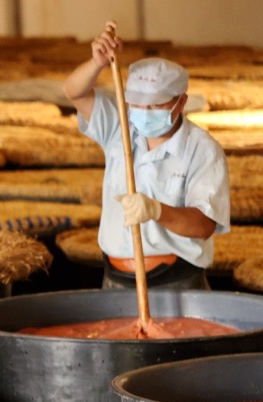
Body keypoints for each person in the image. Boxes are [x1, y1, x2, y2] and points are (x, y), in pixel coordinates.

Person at [62, 21, 229, 290]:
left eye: (156, 104)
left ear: (181, 102)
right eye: (137, 103)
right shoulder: (121, 129)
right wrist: (97, 63)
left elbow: (203, 224)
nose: (144, 111)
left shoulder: (202, 150)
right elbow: (74, 92)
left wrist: (156, 210)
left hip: (175, 282)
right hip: (115, 281)